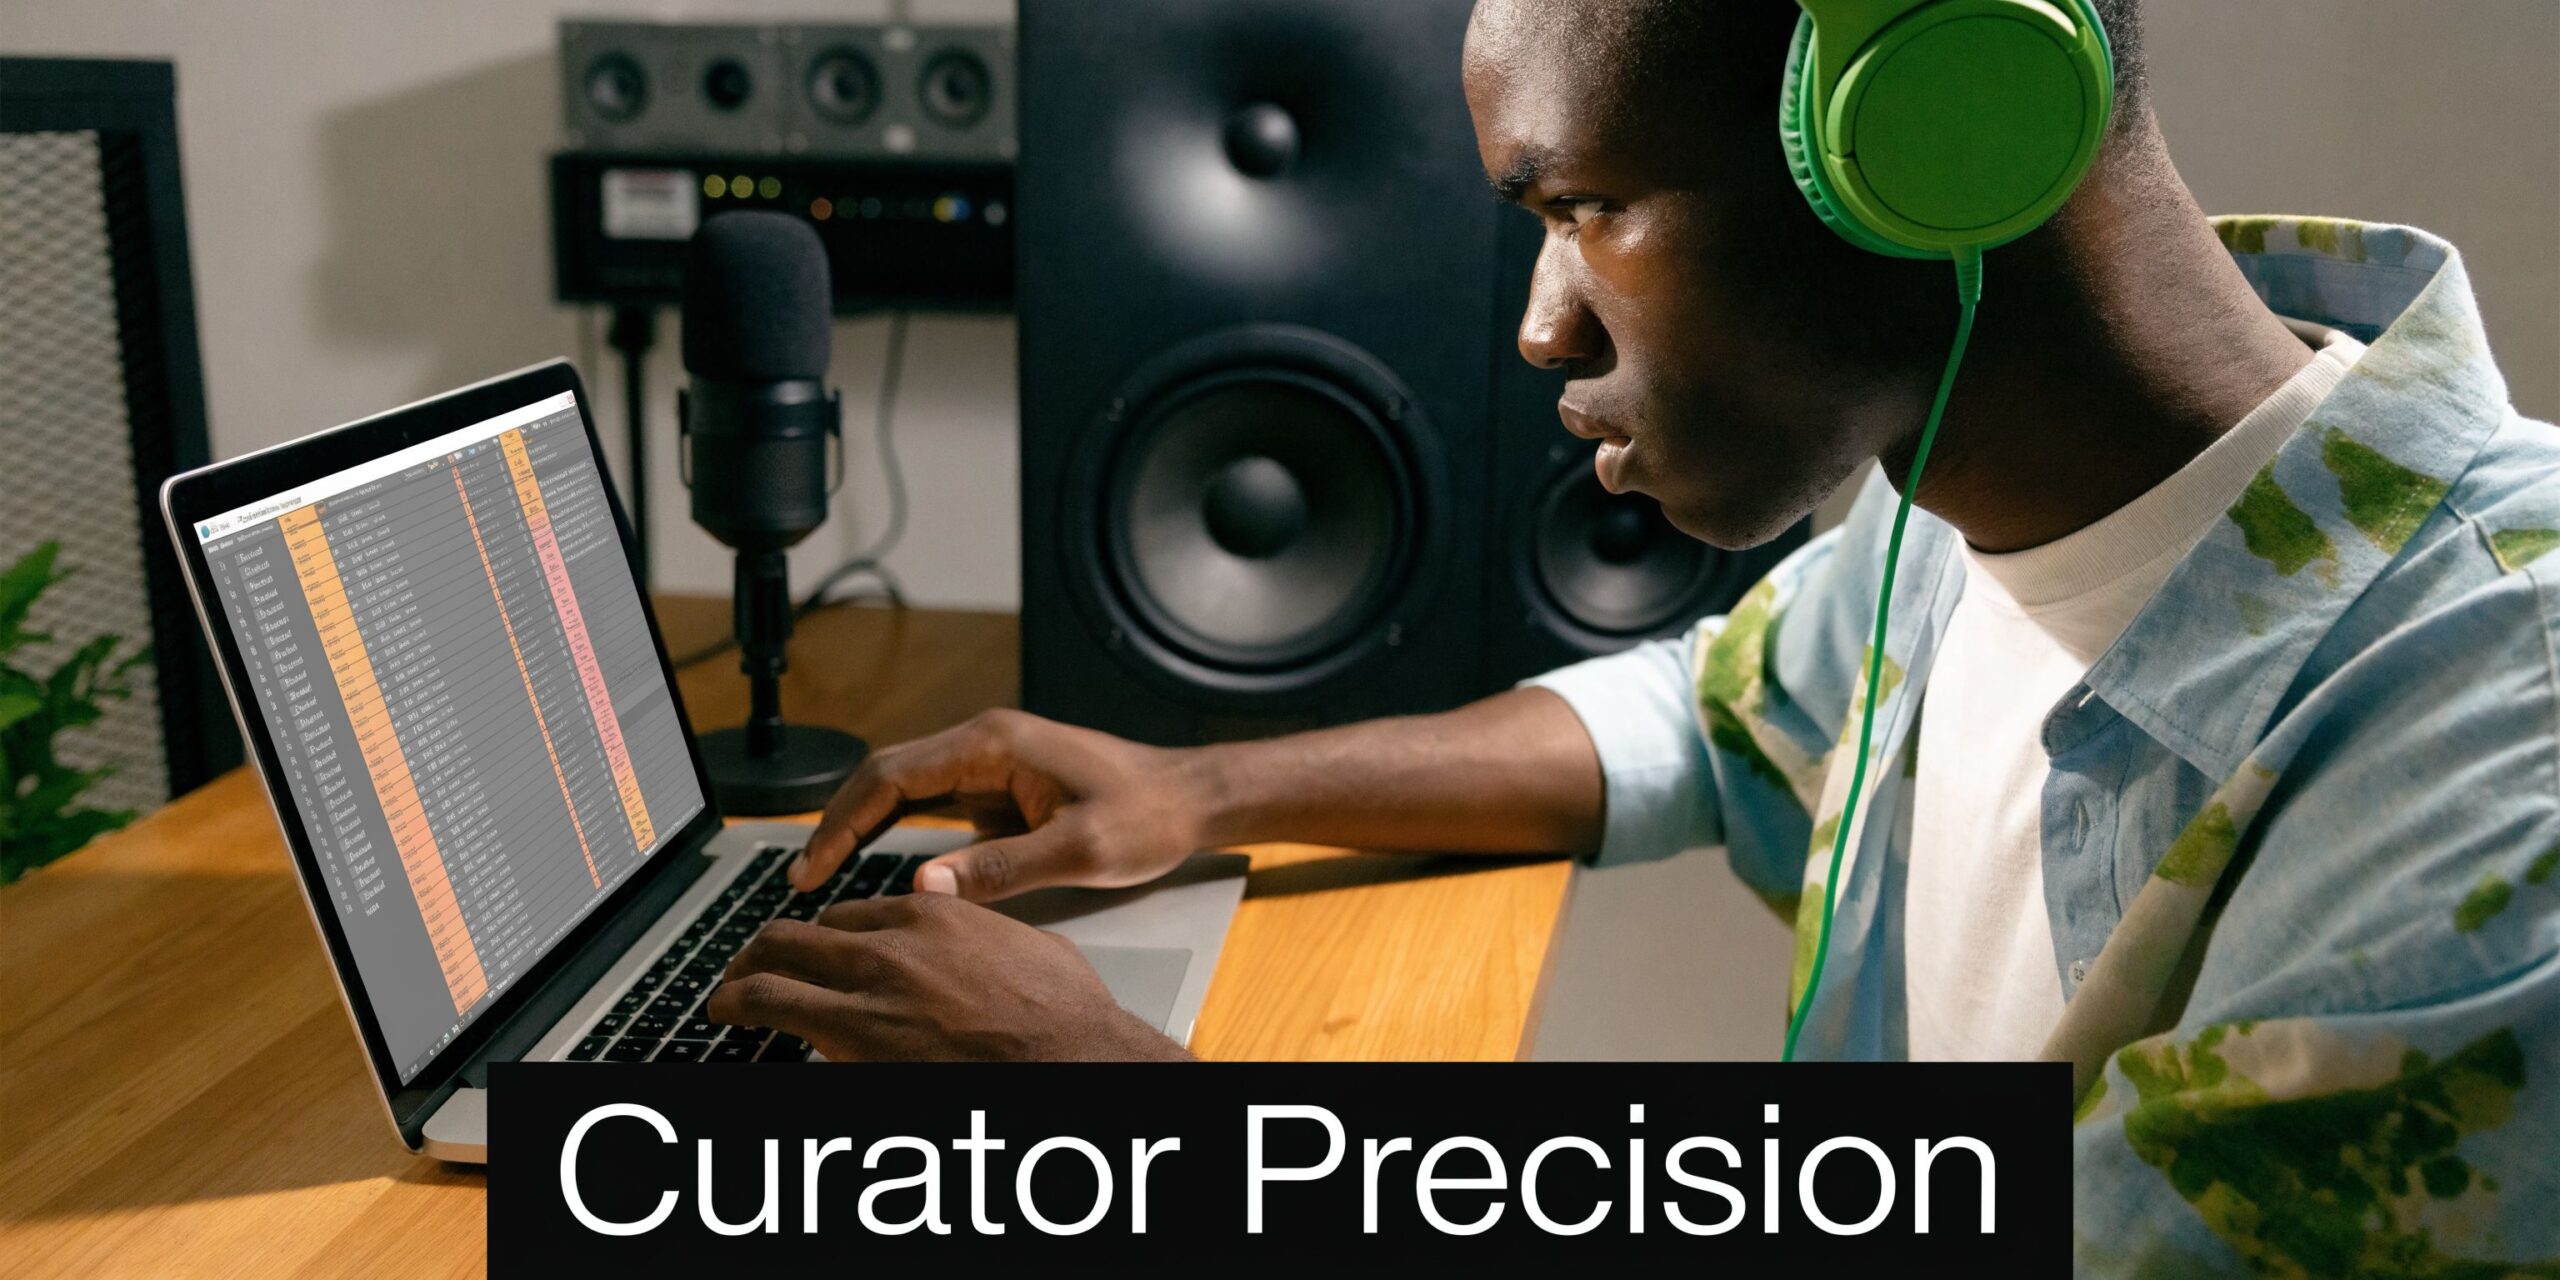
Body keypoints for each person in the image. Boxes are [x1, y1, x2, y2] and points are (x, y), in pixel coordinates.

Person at [707, 1, 2560, 1269]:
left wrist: (1128, 1112)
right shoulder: (1981, 489)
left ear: (1941, 140)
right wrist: (1197, 790)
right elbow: (1717, 710)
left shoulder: (2497, 760)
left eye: (1588, 206)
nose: (1541, 327)